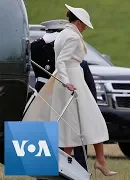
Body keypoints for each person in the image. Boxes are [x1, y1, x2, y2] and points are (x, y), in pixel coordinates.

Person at [23, 4, 117, 177]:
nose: (85, 29)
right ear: (80, 22)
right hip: (72, 79)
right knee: (92, 119)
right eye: (85, 25)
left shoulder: (64, 34)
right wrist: (67, 81)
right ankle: (99, 160)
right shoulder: (72, 36)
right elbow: (62, 61)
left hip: (67, 79)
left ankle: (74, 165)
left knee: (70, 126)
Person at [30, 19, 97, 171]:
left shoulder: (38, 46)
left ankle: (76, 168)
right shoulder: (44, 46)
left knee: (69, 131)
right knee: (66, 130)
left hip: (54, 91)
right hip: (52, 92)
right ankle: (74, 168)